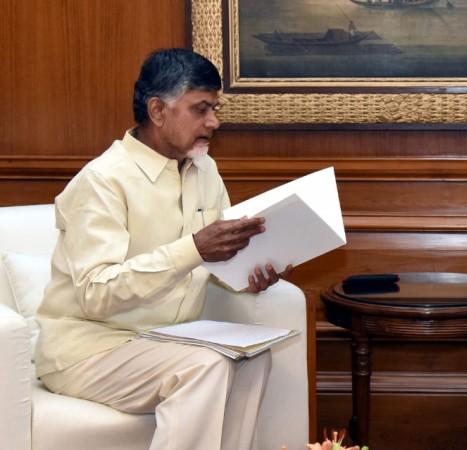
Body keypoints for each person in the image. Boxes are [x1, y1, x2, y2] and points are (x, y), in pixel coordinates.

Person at [34, 48, 288, 450]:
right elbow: (96, 295)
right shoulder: (102, 181)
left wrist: (249, 276)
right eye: (201, 109)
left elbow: (216, 260)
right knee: (204, 366)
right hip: (89, 349)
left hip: (168, 342)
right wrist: (193, 249)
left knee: (253, 359)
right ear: (158, 110)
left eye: (214, 108)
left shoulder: (204, 168)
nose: (213, 122)